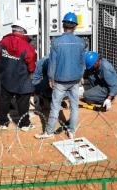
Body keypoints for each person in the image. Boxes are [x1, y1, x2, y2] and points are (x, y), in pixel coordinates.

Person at [36, 12, 85, 140]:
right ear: (75, 26)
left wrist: (51, 78)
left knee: (55, 107)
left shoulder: (56, 42)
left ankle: (49, 132)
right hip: (75, 80)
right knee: (74, 107)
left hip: (60, 81)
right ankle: (72, 131)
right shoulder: (81, 42)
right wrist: (81, 76)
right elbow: (82, 62)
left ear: (63, 25)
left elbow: (53, 63)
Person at [0, 22, 37, 131]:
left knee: (4, 100)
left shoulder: (3, 42)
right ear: (23, 32)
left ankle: (3, 123)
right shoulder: (27, 46)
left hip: (6, 76)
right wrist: (31, 71)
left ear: (13, 30)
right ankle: (24, 124)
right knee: (23, 101)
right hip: (22, 78)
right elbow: (31, 64)